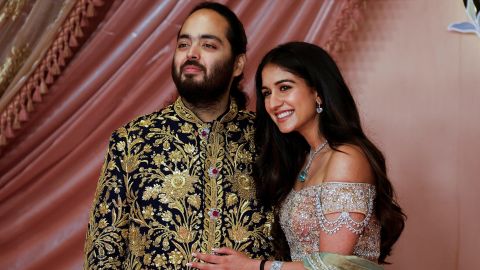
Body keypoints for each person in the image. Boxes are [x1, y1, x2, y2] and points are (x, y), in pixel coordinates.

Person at [83, 2, 274, 269]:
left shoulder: (269, 139)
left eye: (208, 45)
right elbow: (103, 253)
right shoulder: (132, 141)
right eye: (184, 45)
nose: (191, 54)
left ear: (237, 64)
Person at [189, 42, 406, 270]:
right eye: (266, 93)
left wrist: (251, 267)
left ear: (317, 92)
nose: (273, 103)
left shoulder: (346, 157)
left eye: (284, 88)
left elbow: (333, 266)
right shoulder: (305, 158)